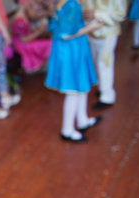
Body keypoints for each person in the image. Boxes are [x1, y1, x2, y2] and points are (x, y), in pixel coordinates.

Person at [44, 0, 104, 142]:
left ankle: (82, 120)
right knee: (74, 91)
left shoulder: (65, 3)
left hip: (74, 49)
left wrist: (83, 18)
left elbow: (63, 24)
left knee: (81, 88)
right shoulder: (72, 4)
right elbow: (65, 34)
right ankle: (67, 130)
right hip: (71, 50)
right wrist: (92, 27)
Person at [82, 0, 127, 109]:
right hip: (91, 32)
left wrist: (97, 14)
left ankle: (107, 96)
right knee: (96, 62)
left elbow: (120, 14)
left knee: (104, 63)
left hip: (108, 33)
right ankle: (102, 87)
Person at [11, 0, 53, 74]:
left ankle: (46, 65)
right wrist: (39, 32)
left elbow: (26, 31)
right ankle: (42, 66)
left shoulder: (23, 16)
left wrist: (35, 30)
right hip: (21, 45)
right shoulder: (19, 20)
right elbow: (23, 39)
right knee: (50, 43)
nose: (31, 5)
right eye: (29, 4)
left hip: (24, 41)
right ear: (23, 4)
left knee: (50, 41)